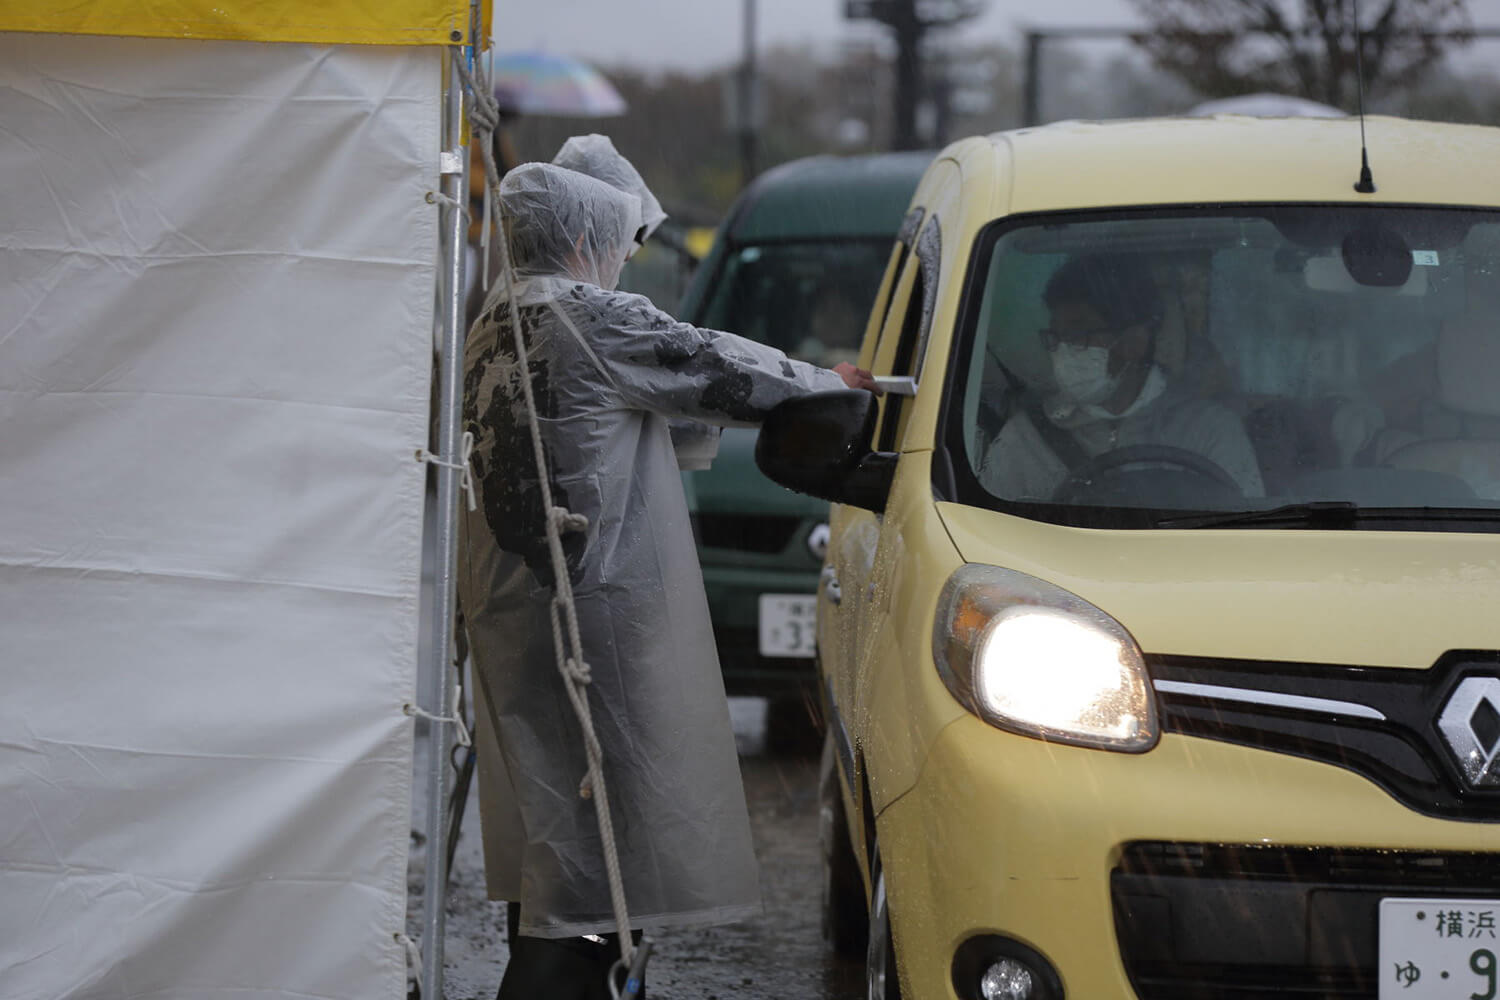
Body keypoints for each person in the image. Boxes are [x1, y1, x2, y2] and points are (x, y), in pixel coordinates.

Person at [458, 160, 875, 1000]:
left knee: (561, 834)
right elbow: (714, 366)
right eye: (613, 243)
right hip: (595, 616)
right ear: (582, 238)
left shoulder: (494, 320)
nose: (618, 260)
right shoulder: (589, 316)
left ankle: (561, 959)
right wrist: (832, 384)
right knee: (603, 849)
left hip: (521, 609)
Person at [979, 253, 1263, 500]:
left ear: (1134, 341)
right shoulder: (1027, 436)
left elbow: (1245, 538)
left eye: (1078, 334)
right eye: (1056, 335)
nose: (1063, 350)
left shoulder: (1209, 430)